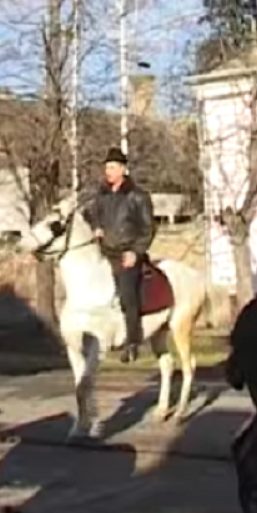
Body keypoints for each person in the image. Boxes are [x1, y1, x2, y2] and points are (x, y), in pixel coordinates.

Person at [84, 147, 156, 363]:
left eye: (113, 167)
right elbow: (90, 213)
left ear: (124, 170)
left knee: (127, 294)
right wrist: (96, 226)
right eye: (106, 167)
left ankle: (133, 342)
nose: (108, 171)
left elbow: (148, 228)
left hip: (128, 254)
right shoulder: (101, 195)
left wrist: (136, 252)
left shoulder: (138, 196)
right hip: (105, 252)